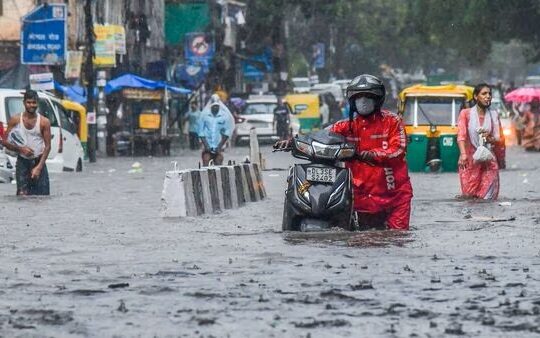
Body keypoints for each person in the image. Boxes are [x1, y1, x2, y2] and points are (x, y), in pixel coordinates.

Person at [275, 74, 413, 230]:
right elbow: (320, 137)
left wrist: (370, 154)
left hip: (394, 196)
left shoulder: (392, 122)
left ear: (378, 99)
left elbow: (398, 150)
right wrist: (292, 142)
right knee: (358, 241)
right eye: (359, 97)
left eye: (368, 96)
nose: (363, 101)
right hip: (359, 196)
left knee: (397, 238)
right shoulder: (345, 126)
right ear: (352, 100)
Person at [2, 89, 52, 195]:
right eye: (29, 102)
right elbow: (4, 142)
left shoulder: (44, 122)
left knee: (42, 197)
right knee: (22, 195)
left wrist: (39, 167)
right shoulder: (15, 120)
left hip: (39, 162)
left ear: (37, 103)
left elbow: (48, 147)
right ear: (24, 103)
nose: (31, 105)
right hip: (22, 163)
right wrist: (21, 149)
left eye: (34, 102)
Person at [457, 83, 501, 200]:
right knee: (470, 198)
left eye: (489, 94)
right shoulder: (465, 114)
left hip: (488, 160)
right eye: (484, 94)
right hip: (469, 160)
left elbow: (497, 139)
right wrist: (463, 155)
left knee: (488, 197)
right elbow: (461, 135)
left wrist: (489, 136)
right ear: (476, 97)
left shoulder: (493, 115)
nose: (488, 96)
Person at [198, 95, 234, 166]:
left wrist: (220, 146)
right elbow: (200, 131)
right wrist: (206, 145)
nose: (215, 107)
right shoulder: (204, 115)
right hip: (207, 147)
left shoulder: (224, 116)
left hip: (218, 146)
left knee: (218, 163)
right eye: (214, 106)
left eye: (217, 106)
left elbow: (227, 132)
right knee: (206, 161)